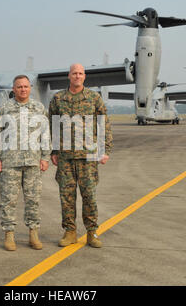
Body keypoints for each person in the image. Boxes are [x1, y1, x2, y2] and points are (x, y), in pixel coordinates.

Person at [48, 63, 113, 248]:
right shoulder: (58, 98)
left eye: (80, 73)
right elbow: (52, 125)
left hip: (89, 156)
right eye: (74, 73)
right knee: (66, 196)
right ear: (69, 76)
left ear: (84, 77)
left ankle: (92, 232)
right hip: (65, 157)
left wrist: (105, 150)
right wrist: (53, 151)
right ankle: (70, 232)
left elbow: (104, 125)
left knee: (89, 196)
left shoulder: (94, 98)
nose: (77, 76)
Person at [0, 75, 50, 251]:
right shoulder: (4, 109)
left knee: (33, 199)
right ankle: (9, 234)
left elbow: (45, 133)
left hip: (33, 162)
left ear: (30, 88)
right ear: (13, 89)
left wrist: (45, 157)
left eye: (25, 86)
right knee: (8, 200)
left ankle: (33, 233)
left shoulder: (39, 108)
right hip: (9, 163)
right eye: (19, 87)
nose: (23, 89)